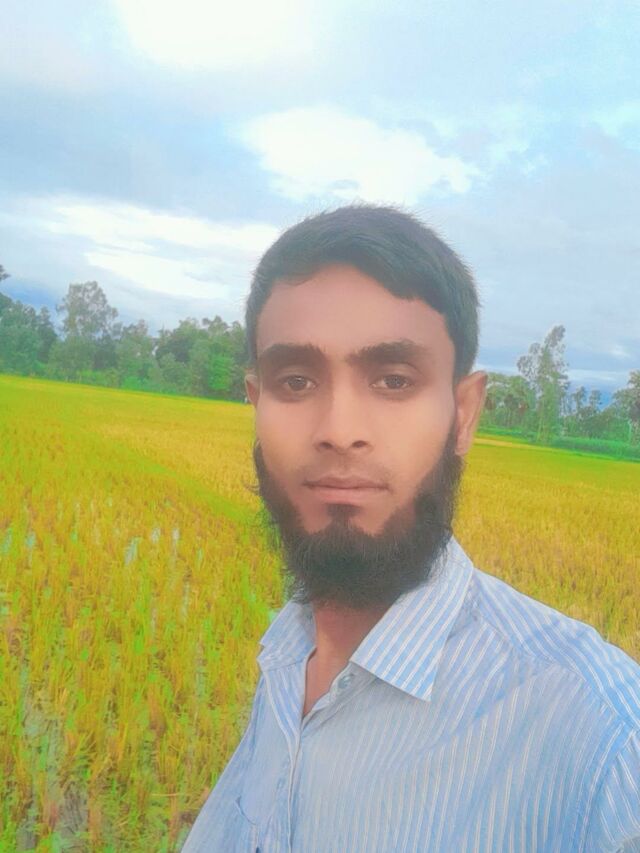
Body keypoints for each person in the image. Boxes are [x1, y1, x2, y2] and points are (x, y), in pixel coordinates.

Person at [182, 205, 640, 852]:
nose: (339, 429)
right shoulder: (288, 649)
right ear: (257, 405)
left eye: (394, 380)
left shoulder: (604, 743)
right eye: (296, 380)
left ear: (463, 413)